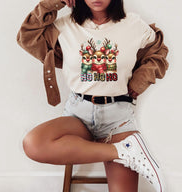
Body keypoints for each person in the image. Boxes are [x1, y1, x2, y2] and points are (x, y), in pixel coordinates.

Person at [16, 0, 169, 191]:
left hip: (118, 118)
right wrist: (56, 2)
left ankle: (127, 150)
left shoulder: (133, 24)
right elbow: (27, 36)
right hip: (78, 114)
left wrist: (141, 79)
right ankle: (126, 150)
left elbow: (159, 50)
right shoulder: (64, 25)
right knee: (33, 143)